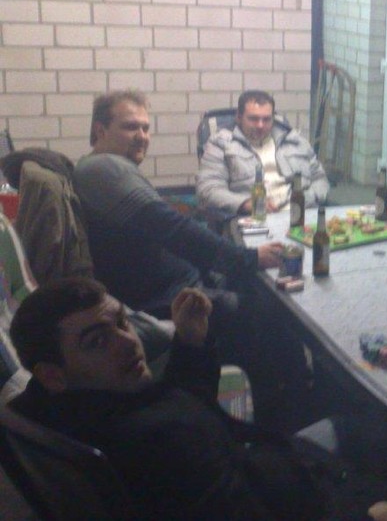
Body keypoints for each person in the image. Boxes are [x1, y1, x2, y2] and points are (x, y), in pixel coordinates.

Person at [8, 277, 387, 521]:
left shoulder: (61, 407)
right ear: (51, 373)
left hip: (272, 467)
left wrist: (190, 343)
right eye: (97, 341)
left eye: (120, 323)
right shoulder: (152, 443)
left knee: (359, 426)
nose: (128, 342)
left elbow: (179, 405)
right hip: (313, 498)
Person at [72, 90, 294, 427]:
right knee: (266, 314)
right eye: (130, 127)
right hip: (163, 301)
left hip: (174, 284)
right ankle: (277, 422)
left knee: (259, 294)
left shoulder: (110, 168)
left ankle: (252, 402)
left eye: (146, 128)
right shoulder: (102, 168)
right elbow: (172, 228)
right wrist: (248, 258)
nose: (142, 136)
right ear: (100, 130)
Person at [197, 90, 329, 216]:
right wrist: (245, 203)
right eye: (253, 119)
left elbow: (319, 178)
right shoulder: (220, 144)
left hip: (302, 214)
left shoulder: (294, 141)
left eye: (266, 119)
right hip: (253, 217)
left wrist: (308, 198)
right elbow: (208, 189)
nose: (260, 125)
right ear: (239, 117)